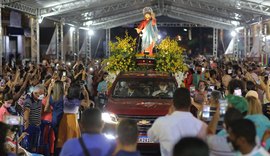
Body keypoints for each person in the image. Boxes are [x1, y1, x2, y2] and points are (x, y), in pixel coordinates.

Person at [147, 88, 207, 156]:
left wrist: (168, 115)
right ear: (190, 103)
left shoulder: (161, 123)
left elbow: (151, 137)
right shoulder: (202, 126)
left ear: (173, 103)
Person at [56, 82, 90, 152]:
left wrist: (65, 86)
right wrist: (86, 94)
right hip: (72, 121)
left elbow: (65, 92)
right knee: (71, 139)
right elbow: (87, 105)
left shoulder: (65, 98)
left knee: (64, 139)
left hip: (64, 119)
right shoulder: (77, 101)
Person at [23, 84, 46, 152]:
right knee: (29, 147)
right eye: (41, 94)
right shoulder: (28, 101)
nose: (42, 95)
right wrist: (26, 126)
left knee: (35, 147)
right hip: (30, 127)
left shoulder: (39, 99)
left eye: (43, 94)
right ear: (35, 93)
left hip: (37, 126)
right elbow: (26, 113)